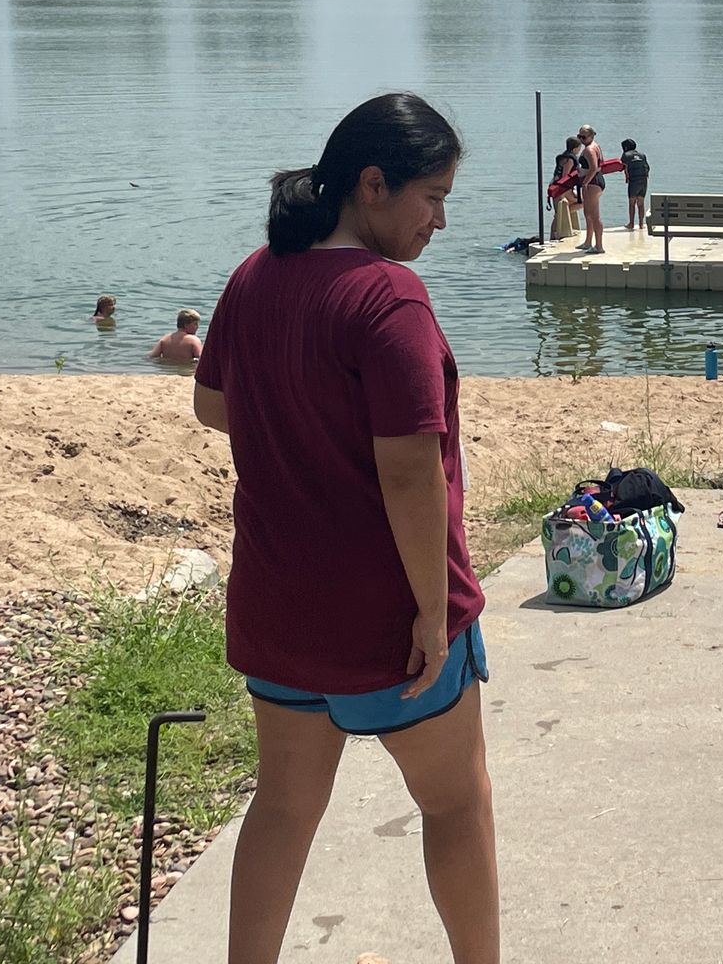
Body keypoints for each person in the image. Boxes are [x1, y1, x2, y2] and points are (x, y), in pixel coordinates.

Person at [191, 92, 498, 964]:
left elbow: (212, 404)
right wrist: (435, 613)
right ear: (372, 184)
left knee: (283, 808)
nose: (439, 220)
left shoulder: (256, 274)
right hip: (386, 625)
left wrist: (297, 413)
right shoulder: (387, 297)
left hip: (279, 611)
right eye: (431, 197)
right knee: (457, 804)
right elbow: (407, 467)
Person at [576, 123, 605, 254]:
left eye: (584, 137)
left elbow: (594, 167)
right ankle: (588, 242)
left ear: (592, 136)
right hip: (595, 180)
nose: (581, 139)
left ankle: (599, 246)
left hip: (592, 183)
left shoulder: (589, 149)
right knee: (588, 213)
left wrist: (585, 182)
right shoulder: (596, 146)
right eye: (579, 136)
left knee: (594, 215)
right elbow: (600, 164)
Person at [548, 137, 582, 241]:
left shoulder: (563, 157)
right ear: (575, 148)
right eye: (579, 147)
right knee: (583, 203)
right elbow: (565, 177)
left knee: (559, 213)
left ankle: (553, 236)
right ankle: (554, 236)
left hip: (555, 186)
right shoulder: (570, 159)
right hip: (562, 189)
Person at [620, 137, 650, 230]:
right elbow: (647, 168)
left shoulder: (625, 155)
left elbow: (625, 168)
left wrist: (627, 179)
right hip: (644, 180)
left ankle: (631, 224)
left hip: (634, 181)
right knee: (641, 202)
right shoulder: (642, 155)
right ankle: (641, 224)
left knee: (632, 203)